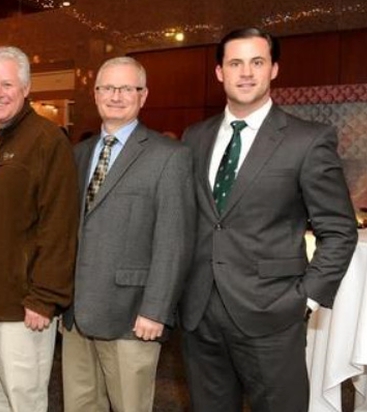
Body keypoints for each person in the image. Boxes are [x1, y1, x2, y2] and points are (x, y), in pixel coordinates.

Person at [180, 27, 358, 412]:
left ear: (274, 69)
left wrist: (305, 299)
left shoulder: (307, 139)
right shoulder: (194, 137)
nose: (246, 73)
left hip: (273, 316)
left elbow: (339, 231)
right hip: (200, 314)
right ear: (219, 73)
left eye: (257, 62)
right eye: (235, 63)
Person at [62, 57, 195, 412]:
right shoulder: (78, 154)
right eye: (108, 88)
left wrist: (156, 310)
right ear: (95, 94)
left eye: (127, 88)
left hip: (132, 318)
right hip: (76, 316)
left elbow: (174, 241)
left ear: (143, 95)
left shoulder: (170, 156)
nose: (116, 96)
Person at [0, 46, 79, 412]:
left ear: (26, 88)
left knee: (23, 402)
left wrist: (44, 297)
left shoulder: (46, 140)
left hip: (23, 309)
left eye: (7, 84)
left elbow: (59, 224)